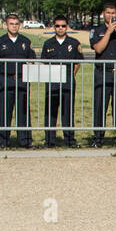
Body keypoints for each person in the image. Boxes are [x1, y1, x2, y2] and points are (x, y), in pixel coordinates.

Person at [89, 2, 116, 148]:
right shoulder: (97, 30)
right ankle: (98, 138)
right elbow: (98, 48)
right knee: (100, 106)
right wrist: (108, 32)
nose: (111, 16)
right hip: (103, 73)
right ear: (103, 14)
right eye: (108, 13)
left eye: (113, 13)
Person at [0, 13, 35, 148]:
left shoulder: (26, 42)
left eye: (16, 24)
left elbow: (31, 61)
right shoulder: (0, 42)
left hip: (22, 80)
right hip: (6, 80)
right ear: (6, 25)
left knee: (23, 111)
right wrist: (3, 73)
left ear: (19, 25)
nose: (14, 27)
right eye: (11, 24)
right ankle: (3, 141)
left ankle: (25, 141)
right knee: (5, 111)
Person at [40, 14, 82, 147]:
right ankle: (49, 140)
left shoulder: (74, 43)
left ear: (67, 27)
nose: (60, 28)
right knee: (51, 111)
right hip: (52, 82)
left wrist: (70, 76)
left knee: (68, 111)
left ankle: (69, 140)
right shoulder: (48, 44)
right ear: (54, 27)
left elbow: (77, 63)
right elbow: (44, 63)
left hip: (68, 81)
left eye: (63, 26)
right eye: (57, 26)